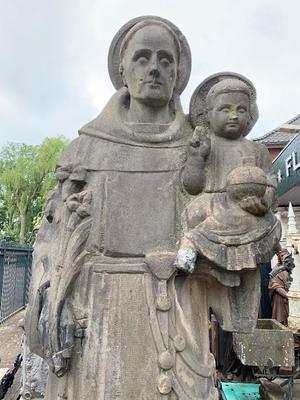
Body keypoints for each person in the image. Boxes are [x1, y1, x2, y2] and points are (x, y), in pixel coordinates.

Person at [177, 73, 281, 274]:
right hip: (210, 207)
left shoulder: (257, 150)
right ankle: (191, 244)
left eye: (241, 110)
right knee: (207, 216)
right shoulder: (206, 145)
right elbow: (191, 187)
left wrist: (264, 203)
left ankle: (193, 244)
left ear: (249, 114)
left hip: (247, 209)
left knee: (271, 225)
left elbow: (271, 183)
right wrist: (197, 159)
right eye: (225, 109)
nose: (234, 115)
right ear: (208, 114)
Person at [269, 249, 294, 326]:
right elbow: (275, 285)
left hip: (291, 296)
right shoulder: (276, 269)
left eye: (285, 255)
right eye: (282, 256)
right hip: (280, 298)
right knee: (281, 318)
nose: (284, 257)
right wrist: (287, 295)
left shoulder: (291, 267)